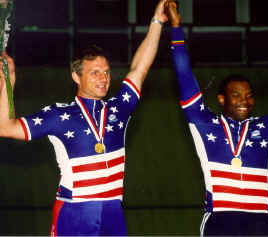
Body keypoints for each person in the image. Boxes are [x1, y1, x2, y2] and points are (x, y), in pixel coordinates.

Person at [0, 0, 170, 235]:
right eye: (95, 73)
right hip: (74, 210)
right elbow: (5, 127)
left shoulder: (118, 108)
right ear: (76, 77)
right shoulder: (59, 115)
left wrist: (157, 21)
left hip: (113, 211)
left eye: (106, 72)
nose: (103, 78)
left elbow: (139, 68)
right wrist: (8, 81)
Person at [167, 1, 268, 236]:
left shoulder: (266, 128)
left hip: (261, 222)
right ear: (221, 99)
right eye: (236, 95)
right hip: (220, 221)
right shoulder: (204, 123)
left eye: (249, 96)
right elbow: (184, 75)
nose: (244, 101)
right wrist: (176, 29)